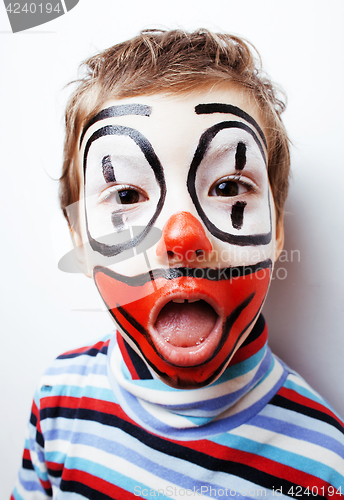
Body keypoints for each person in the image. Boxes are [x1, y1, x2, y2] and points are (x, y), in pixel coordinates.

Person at [12, 29, 344, 499]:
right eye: (126, 195)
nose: (182, 238)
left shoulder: (324, 468)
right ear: (80, 244)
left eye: (229, 187)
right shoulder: (57, 400)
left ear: (278, 233)